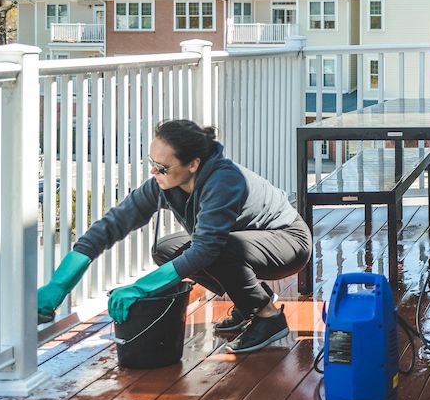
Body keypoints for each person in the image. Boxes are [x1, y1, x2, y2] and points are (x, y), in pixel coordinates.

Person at [36, 120, 312, 354]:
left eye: (163, 167)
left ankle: (268, 317)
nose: (154, 173)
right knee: (166, 249)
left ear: (193, 164)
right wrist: (59, 286)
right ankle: (247, 302)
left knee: (214, 250)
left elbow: (205, 251)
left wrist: (140, 288)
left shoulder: (224, 181)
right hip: (243, 243)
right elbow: (111, 226)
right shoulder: (164, 183)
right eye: (152, 164)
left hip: (287, 241)